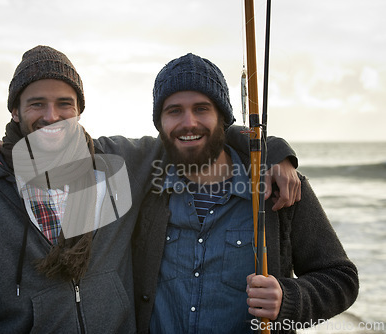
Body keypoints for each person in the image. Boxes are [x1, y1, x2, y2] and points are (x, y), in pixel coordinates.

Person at [0, 46, 301, 333]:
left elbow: (194, 133)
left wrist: (274, 151)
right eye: (37, 103)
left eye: (64, 103)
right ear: (15, 111)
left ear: (79, 110)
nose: (51, 115)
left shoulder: (117, 161)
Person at [131, 53, 359, 333]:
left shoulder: (280, 189)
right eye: (174, 110)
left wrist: (287, 299)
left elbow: (341, 279)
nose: (188, 122)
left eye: (202, 109)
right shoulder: (143, 187)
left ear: (222, 119)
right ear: (160, 123)